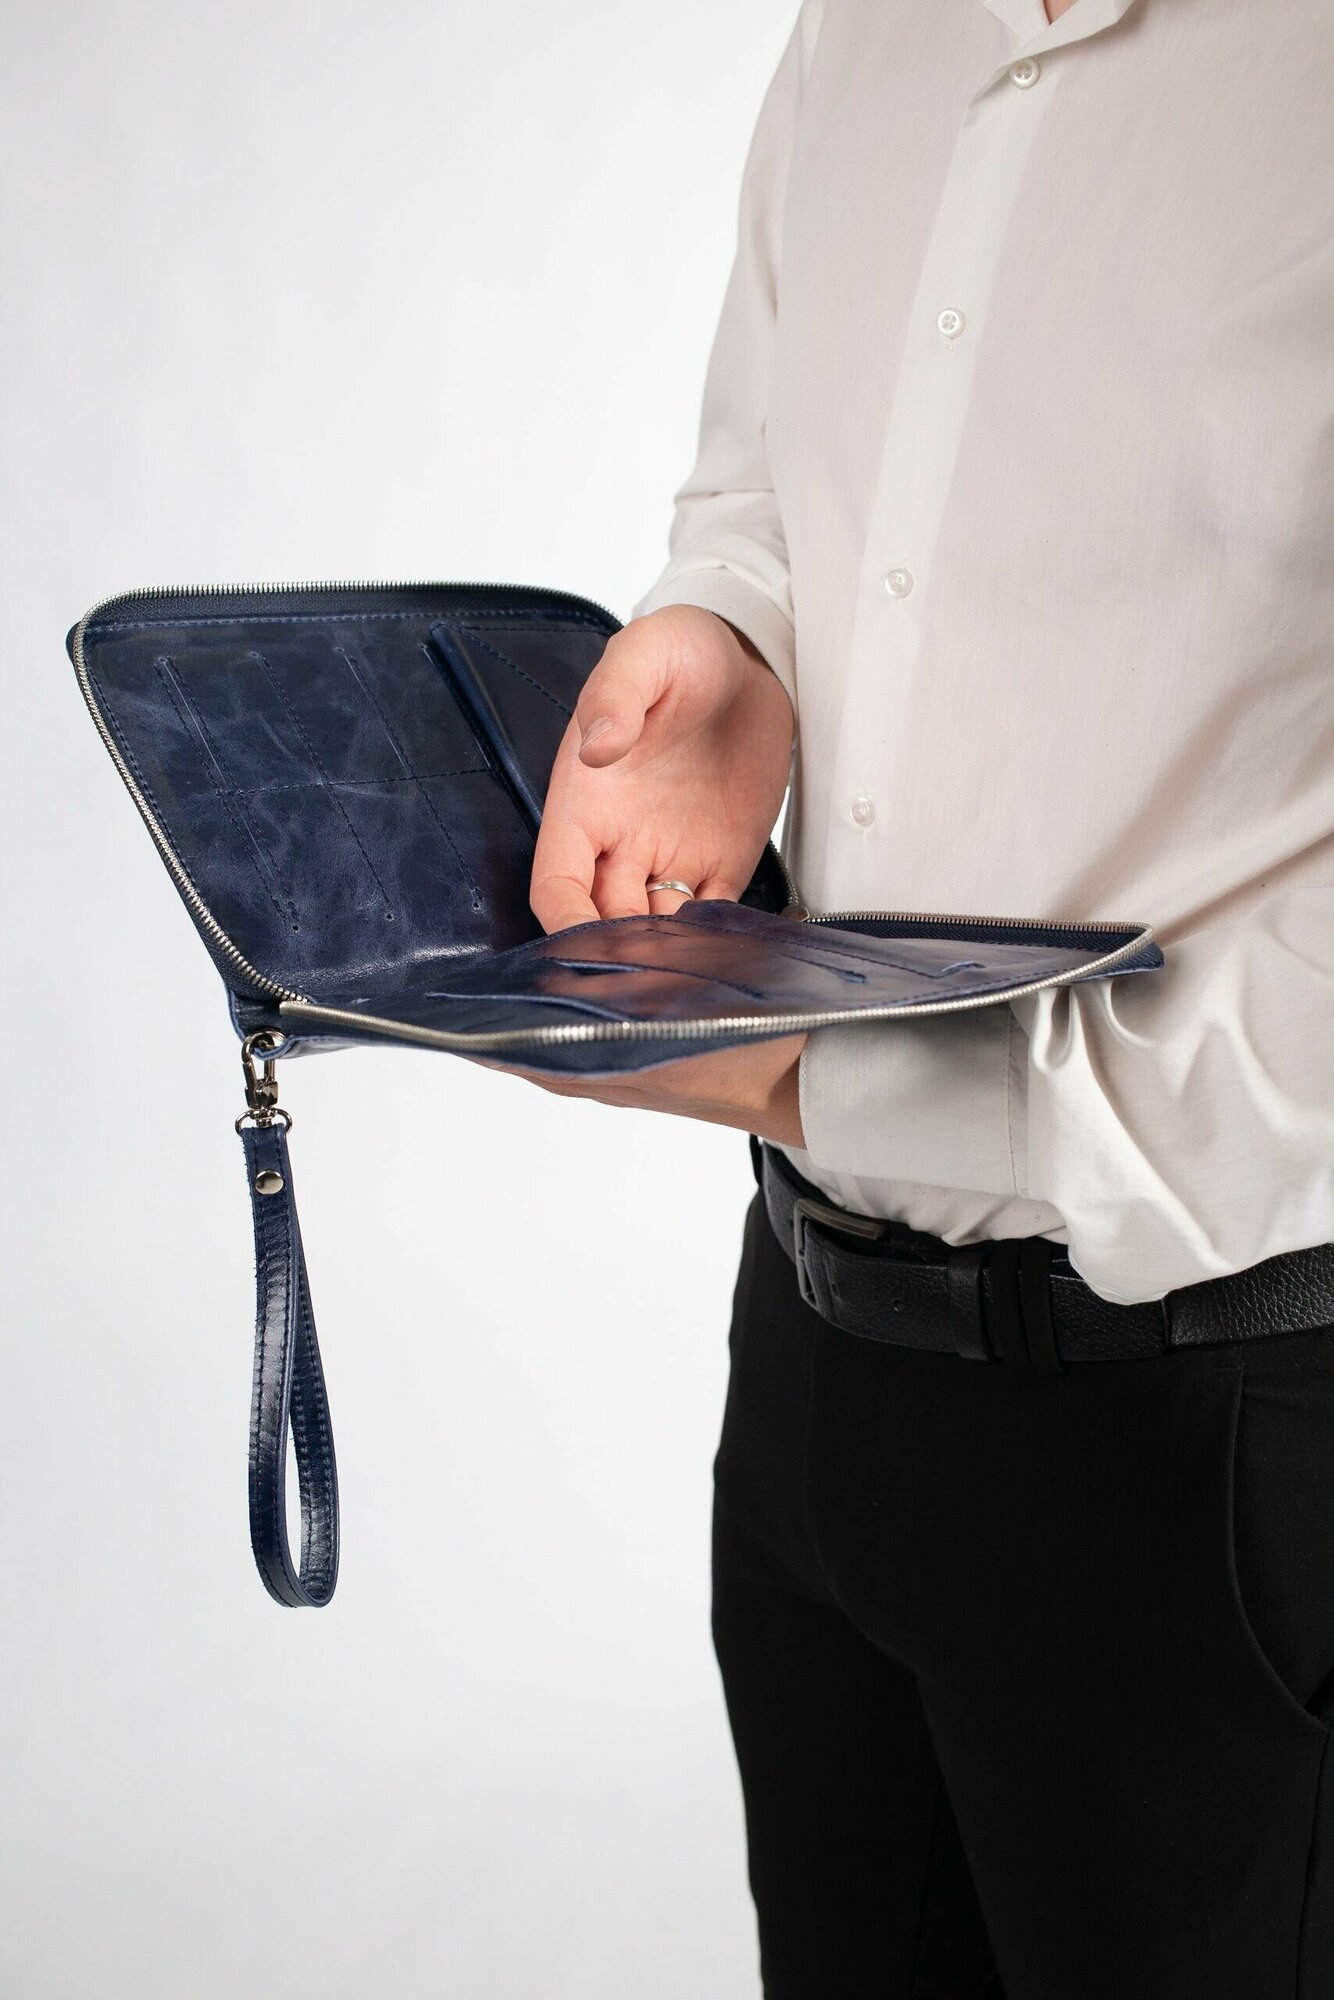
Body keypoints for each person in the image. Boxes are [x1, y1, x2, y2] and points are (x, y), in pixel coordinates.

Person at [515, 1, 1334, 1992]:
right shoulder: (862, 31)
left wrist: (815, 1073)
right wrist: (728, 637)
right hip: (811, 1364)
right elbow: (766, 484)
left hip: (1219, 1426)